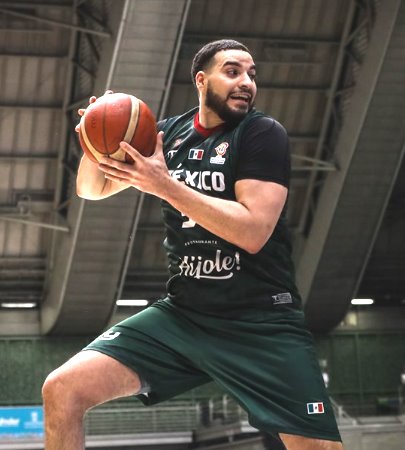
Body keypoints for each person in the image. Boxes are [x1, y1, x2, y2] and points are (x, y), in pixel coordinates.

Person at [42, 39, 342, 450]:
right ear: (201, 80)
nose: (246, 83)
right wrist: (95, 141)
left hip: (259, 321)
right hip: (185, 315)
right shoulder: (167, 135)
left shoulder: (262, 134)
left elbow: (253, 231)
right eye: (233, 71)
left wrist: (166, 186)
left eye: (252, 74)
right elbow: (91, 190)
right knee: (61, 389)